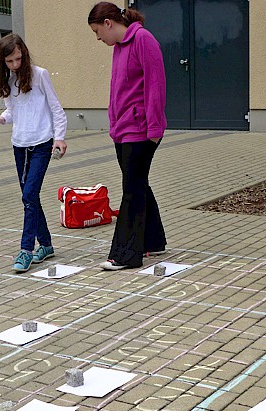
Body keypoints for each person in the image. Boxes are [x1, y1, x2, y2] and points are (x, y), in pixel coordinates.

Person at [88, 2, 167, 271]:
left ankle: (125, 254)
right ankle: (153, 241)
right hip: (122, 130)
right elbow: (118, 89)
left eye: (98, 32)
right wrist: (113, 123)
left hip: (141, 131)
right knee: (138, 184)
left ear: (109, 23)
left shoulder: (143, 39)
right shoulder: (119, 48)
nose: (99, 38)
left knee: (131, 190)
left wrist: (154, 130)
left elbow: (155, 85)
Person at [0, 34, 67, 273]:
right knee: (30, 198)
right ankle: (47, 245)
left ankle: (26, 250)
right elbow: (13, 111)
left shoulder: (40, 74)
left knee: (29, 195)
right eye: (10, 61)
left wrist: (60, 137)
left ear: (25, 54)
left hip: (43, 143)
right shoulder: (8, 81)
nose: (15, 65)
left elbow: (56, 108)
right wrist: (0, 119)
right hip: (19, 144)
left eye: (18, 59)